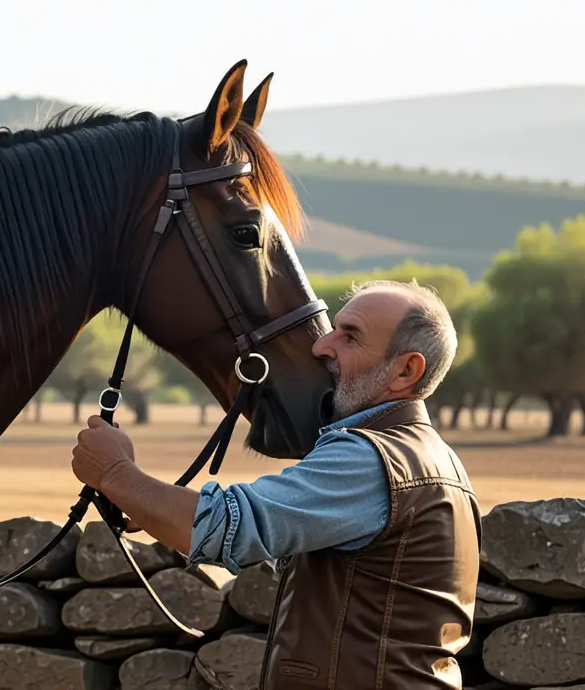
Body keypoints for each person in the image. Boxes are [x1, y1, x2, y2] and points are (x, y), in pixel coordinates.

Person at [71, 279, 481, 689]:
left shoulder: (368, 458)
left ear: (405, 370)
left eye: (350, 337)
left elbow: (224, 529)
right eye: (333, 329)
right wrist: (152, 503)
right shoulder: (434, 459)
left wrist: (115, 473)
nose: (321, 347)